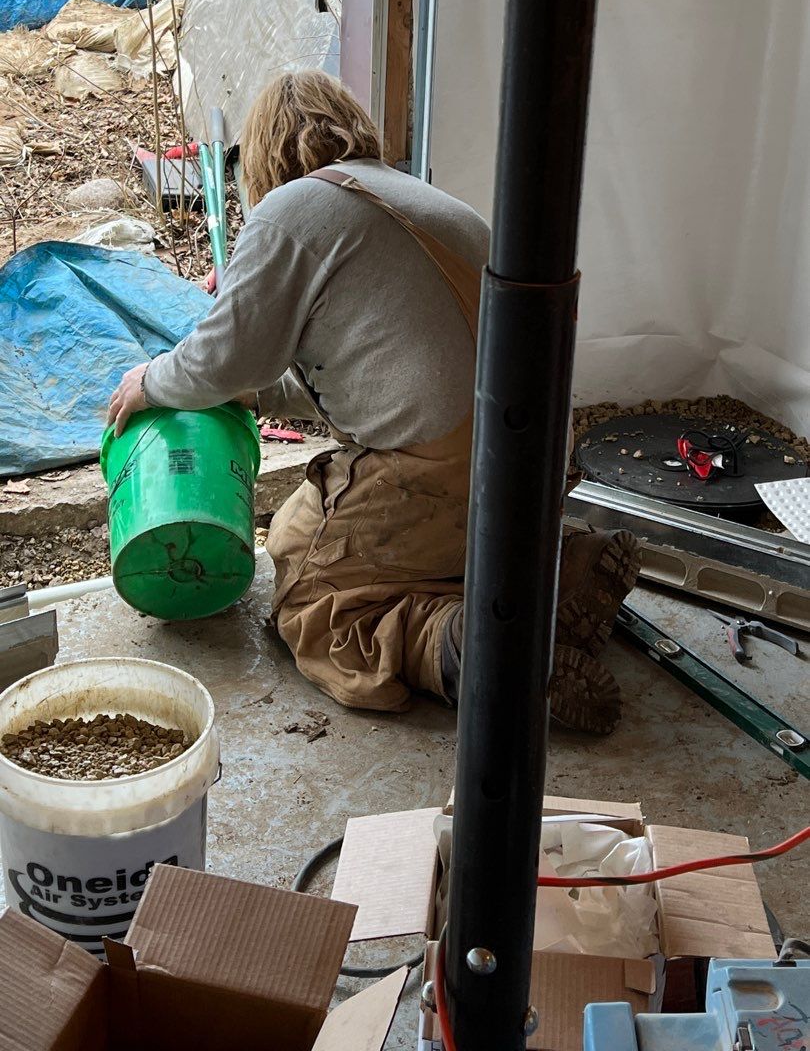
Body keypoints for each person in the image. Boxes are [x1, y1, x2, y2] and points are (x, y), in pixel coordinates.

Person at [108, 71, 637, 730]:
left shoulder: (289, 211)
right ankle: (563, 567)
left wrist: (149, 380)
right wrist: (254, 387)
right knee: (408, 544)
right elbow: (358, 375)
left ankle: (460, 646)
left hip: (438, 470)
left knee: (308, 585)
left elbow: (219, 359)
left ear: (266, 152)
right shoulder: (418, 199)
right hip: (535, 463)